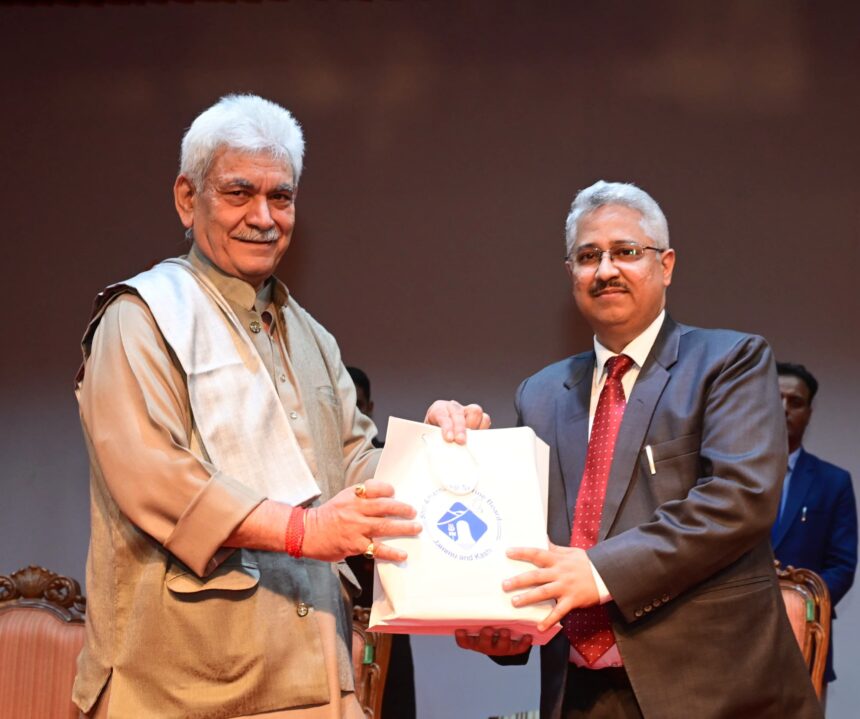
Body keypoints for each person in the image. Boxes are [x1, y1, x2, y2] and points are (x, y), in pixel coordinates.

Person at [72, 94, 489, 719]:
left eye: (281, 197)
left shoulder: (309, 335)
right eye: (239, 193)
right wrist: (307, 531)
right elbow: (153, 475)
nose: (263, 217)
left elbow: (351, 468)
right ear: (188, 199)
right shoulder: (141, 318)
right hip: (181, 688)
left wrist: (431, 459)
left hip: (316, 676)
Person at [455, 180, 822, 718]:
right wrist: (504, 623)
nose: (605, 269)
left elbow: (739, 499)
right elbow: (531, 537)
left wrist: (598, 572)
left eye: (626, 252)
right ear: (571, 274)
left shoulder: (730, 361)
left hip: (712, 694)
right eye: (587, 256)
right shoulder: (538, 394)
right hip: (578, 697)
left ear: (666, 265)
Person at [772, 361, 857, 687]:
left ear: (808, 411)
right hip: (736, 635)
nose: (783, 409)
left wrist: (800, 602)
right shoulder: (727, 476)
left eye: (795, 402)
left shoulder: (833, 482)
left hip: (806, 639)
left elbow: (842, 565)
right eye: (775, 399)